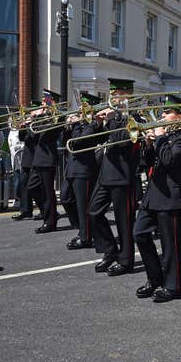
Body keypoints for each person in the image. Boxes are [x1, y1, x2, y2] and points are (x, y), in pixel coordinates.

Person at [134, 95, 181, 302]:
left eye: (167, 112)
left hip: (170, 195)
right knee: (139, 233)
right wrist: (148, 145)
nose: (162, 115)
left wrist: (159, 138)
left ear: (179, 116)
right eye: (163, 112)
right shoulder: (164, 135)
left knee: (170, 244)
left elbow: (169, 162)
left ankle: (173, 286)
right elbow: (148, 162)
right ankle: (155, 277)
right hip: (153, 193)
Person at [89, 78, 141, 277]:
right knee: (93, 212)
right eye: (112, 94)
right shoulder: (113, 115)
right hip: (106, 173)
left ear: (127, 94)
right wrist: (98, 124)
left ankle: (126, 260)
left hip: (123, 175)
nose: (113, 97)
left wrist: (111, 119)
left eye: (117, 94)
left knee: (124, 221)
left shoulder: (133, 117)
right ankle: (110, 250)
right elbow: (98, 140)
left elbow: (122, 142)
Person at [61, 92, 104, 250]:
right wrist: (67, 127)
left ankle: (85, 237)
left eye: (83, 107)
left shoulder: (92, 125)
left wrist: (76, 124)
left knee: (82, 206)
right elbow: (67, 142)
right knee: (65, 198)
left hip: (84, 171)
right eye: (80, 107)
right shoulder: (80, 124)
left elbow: (78, 142)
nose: (79, 110)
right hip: (71, 169)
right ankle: (83, 229)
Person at [28, 90, 64, 234]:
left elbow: (50, 132)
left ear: (52, 101)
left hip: (48, 158)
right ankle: (48, 212)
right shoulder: (43, 116)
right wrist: (31, 121)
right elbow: (32, 135)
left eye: (45, 101)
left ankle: (50, 222)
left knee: (48, 192)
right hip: (38, 158)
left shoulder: (57, 116)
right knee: (32, 187)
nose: (42, 103)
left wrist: (39, 117)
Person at [13, 100, 45, 221]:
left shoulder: (40, 122)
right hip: (27, 158)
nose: (30, 112)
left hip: (36, 157)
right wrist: (22, 127)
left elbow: (35, 136)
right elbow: (22, 138)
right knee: (23, 184)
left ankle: (44, 210)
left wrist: (30, 124)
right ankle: (26, 210)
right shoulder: (29, 122)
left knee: (35, 186)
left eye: (33, 110)